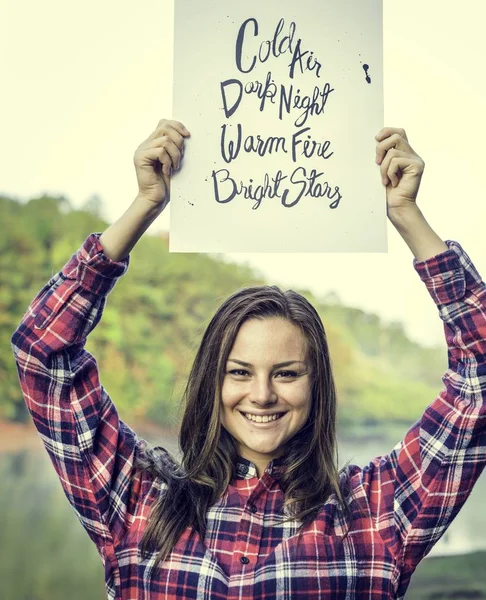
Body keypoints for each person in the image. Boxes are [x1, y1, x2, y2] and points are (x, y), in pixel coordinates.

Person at [11, 119, 486, 599]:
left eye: (286, 373)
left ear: (315, 384)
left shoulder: (375, 512)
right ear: (210, 382)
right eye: (239, 372)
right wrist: (145, 205)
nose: (262, 394)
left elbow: (479, 380)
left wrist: (406, 214)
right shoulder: (136, 501)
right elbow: (42, 352)